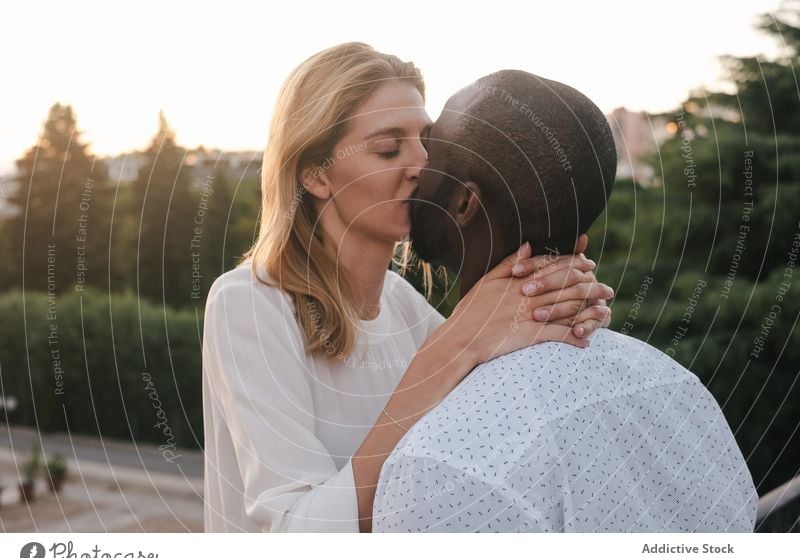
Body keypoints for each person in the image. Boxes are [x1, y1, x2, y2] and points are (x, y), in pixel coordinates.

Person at [202, 44, 615, 533]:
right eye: (388, 147)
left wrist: (557, 302)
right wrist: (459, 342)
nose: (423, 164)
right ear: (315, 174)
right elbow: (299, 530)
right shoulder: (249, 304)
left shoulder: (406, 307)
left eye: (427, 141)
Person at [372, 70, 758, 532]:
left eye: (432, 149)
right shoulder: (679, 389)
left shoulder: (437, 464)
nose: (416, 168)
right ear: (581, 237)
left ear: (463, 205)